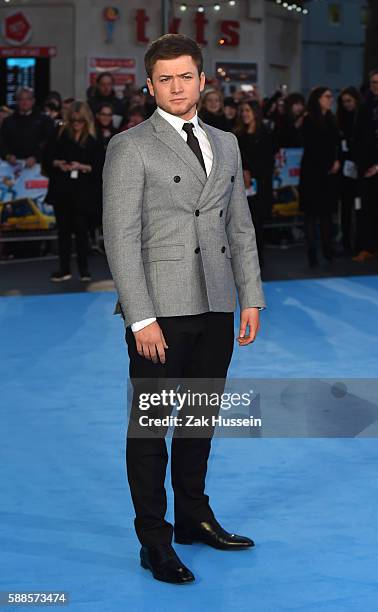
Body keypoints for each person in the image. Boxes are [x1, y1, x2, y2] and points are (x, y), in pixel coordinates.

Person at [102, 33, 265, 585]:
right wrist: (140, 317)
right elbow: (120, 239)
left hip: (216, 301)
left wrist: (251, 297)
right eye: (165, 78)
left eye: (186, 76)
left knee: (198, 421)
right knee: (151, 428)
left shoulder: (226, 141)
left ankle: (194, 517)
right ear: (150, 85)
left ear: (203, 80)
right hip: (161, 309)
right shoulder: (131, 146)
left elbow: (239, 227)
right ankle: (155, 537)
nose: (177, 86)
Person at [43, 101, 103, 281]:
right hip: (62, 188)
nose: (77, 123)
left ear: (86, 120)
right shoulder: (59, 133)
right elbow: (46, 157)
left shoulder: (93, 137)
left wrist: (83, 167)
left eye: (80, 120)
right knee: (63, 231)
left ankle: (84, 270)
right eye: (74, 120)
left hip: (83, 191)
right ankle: (64, 269)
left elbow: (99, 165)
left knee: (81, 230)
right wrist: (58, 163)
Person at [299, 87, 340, 267]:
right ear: (318, 99)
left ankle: (327, 249)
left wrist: (337, 161)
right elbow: (312, 147)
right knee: (311, 215)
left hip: (329, 173)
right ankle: (312, 253)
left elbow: (335, 144)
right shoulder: (309, 119)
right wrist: (327, 165)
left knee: (326, 215)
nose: (330, 99)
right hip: (312, 174)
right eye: (327, 96)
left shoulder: (331, 118)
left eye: (331, 96)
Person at [235, 100, 276, 268]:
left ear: (256, 113)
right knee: (243, 223)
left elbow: (269, 161)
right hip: (241, 185)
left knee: (257, 222)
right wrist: (243, 172)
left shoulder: (266, 134)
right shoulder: (237, 135)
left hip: (261, 184)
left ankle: (258, 257)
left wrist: (252, 173)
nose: (245, 114)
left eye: (248, 110)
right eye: (243, 111)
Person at [352, 69, 378, 262]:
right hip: (365, 167)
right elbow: (358, 137)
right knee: (365, 209)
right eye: (373, 82)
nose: (376, 86)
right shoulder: (364, 106)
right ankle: (366, 247)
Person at [0, 86, 54, 167]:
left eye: (28, 99)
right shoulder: (8, 121)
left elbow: (48, 141)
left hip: (38, 166)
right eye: (21, 99)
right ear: (17, 101)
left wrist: (36, 157)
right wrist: (7, 155)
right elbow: (2, 142)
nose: (24, 102)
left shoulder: (44, 120)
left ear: (33, 101)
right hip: (11, 166)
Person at [336, 87, 362, 255]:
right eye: (344, 101)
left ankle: (359, 242)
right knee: (346, 208)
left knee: (359, 207)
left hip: (359, 168)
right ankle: (346, 241)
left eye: (349, 101)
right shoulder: (339, 119)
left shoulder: (361, 117)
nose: (346, 105)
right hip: (345, 171)